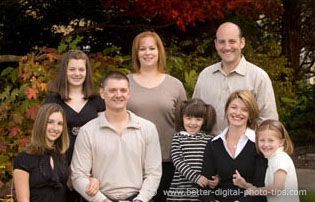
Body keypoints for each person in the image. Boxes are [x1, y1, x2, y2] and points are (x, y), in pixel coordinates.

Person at [71, 71, 162, 202]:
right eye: (112, 90)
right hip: (100, 199)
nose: (118, 95)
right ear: (102, 93)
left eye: (123, 90)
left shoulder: (147, 129)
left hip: (138, 198)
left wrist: (140, 200)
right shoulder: (87, 131)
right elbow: (78, 176)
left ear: (129, 93)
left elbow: (154, 173)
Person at [127, 31, 187, 201]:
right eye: (142, 49)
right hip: (131, 161)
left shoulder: (175, 85)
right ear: (136, 54)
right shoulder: (125, 83)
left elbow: (183, 125)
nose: (147, 53)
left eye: (152, 48)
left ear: (159, 51)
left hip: (166, 161)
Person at [193, 22, 278, 134]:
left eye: (232, 41)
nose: (227, 47)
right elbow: (194, 114)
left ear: (242, 43)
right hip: (209, 148)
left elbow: (268, 122)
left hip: (246, 149)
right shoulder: (205, 76)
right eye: (222, 42)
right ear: (215, 44)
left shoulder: (259, 77)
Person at [44, 50, 104, 201]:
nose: (77, 73)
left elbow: (103, 138)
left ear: (87, 72)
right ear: (65, 71)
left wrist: (91, 174)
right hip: (58, 167)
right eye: (72, 69)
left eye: (81, 69)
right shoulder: (53, 100)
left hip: (91, 170)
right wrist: (66, 172)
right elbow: (46, 138)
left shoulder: (97, 100)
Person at [201, 90, 267, 202]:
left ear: (250, 114)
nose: (238, 113)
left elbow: (260, 188)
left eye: (244, 109)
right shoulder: (213, 144)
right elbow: (204, 185)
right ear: (227, 110)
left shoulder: (260, 144)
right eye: (234, 107)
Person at [13, 103, 69, 202]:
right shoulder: (23, 159)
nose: (55, 128)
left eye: (60, 124)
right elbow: (23, 200)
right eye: (50, 122)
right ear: (41, 123)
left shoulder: (61, 156)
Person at [232, 119, 299, 202]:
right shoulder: (271, 159)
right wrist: (245, 185)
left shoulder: (281, 159)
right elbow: (264, 189)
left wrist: (255, 192)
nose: (266, 144)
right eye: (262, 140)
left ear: (281, 142)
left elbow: (276, 189)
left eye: (271, 140)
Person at [166, 98, 219, 202]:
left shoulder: (209, 140)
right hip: (180, 192)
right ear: (182, 118)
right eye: (188, 118)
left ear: (204, 120)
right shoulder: (178, 138)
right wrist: (196, 177)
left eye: (198, 119)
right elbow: (177, 161)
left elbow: (216, 162)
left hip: (201, 192)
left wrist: (217, 178)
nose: (192, 123)